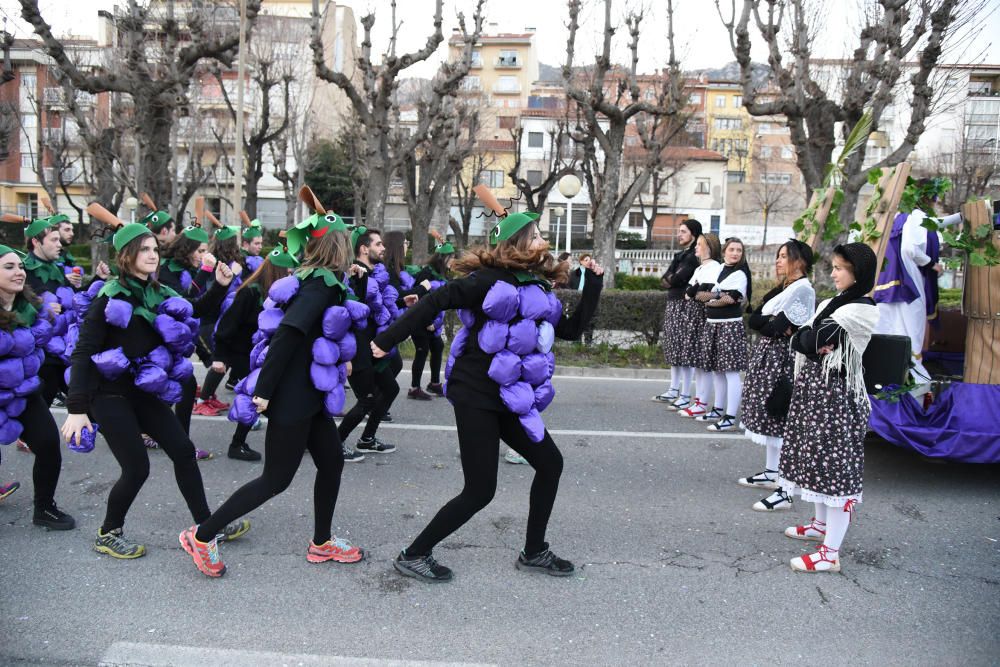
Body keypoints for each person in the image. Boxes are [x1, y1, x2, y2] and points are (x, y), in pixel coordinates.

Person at [371, 212, 603, 583]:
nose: (543, 239)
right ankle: (414, 554)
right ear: (519, 242)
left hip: (510, 396)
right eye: (537, 234)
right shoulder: (487, 281)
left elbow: (572, 330)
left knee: (550, 463)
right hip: (475, 393)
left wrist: (593, 284)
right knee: (480, 490)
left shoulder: (535, 287)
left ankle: (534, 551)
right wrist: (385, 341)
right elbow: (437, 300)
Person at [180, 213, 364, 577]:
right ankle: (202, 536)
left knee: (331, 461)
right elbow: (289, 334)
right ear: (339, 246)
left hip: (309, 393)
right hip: (293, 394)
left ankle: (321, 542)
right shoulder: (319, 286)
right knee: (276, 479)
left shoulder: (321, 280)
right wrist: (264, 391)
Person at [62, 223, 248, 559]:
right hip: (107, 395)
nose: (152, 254)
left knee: (182, 450)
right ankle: (108, 532)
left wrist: (220, 286)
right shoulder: (109, 296)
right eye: (144, 249)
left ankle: (206, 525)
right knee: (137, 468)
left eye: (154, 249)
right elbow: (83, 351)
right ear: (126, 255)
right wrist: (76, 409)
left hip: (143, 391)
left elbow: (197, 308)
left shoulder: (158, 291)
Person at [778, 243, 880, 573]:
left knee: (836, 471)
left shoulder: (861, 309)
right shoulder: (832, 303)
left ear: (857, 273)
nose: (833, 273)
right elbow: (804, 339)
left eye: (840, 268)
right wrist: (808, 339)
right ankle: (820, 527)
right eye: (834, 266)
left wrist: (808, 338)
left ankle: (830, 553)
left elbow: (811, 338)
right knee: (815, 460)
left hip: (838, 396)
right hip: (816, 392)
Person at [0, 243, 75, 530]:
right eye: (9, 267)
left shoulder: (31, 307)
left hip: (25, 394)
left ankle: (44, 508)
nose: (19, 272)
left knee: (48, 445)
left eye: (19, 266)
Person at [737, 240, 816, 512]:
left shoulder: (803, 290)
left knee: (781, 414)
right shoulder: (784, 288)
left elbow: (776, 328)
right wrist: (771, 324)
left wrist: (772, 325)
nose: (778, 261)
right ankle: (772, 472)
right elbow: (755, 320)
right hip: (769, 356)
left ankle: (786, 488)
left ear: (800, 261)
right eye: (778, 256)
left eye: (784, 256)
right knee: (769, 416)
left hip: (784, 359)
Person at [213, 250, 299, 462]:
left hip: (265, 353)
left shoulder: (280, 294)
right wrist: (220, 356)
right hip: (244, 354)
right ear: (277, 271)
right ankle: (237, 444)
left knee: (276, 396)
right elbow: (226, 326)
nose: (291, 276)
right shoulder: (250, 293)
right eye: (287, 272)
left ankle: (297, 438)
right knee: (254, 399)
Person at [873, 181, 962, 383]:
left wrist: (959, 217)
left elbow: (933, 223)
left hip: (887, 288)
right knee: (910, 341)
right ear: (929, 199)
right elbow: (909, 249)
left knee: (888, 334)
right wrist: (932, 264)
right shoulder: (916, 217)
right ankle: (912, 389)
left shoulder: (898, 217)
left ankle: (887, 387)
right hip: (909, 288)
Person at [157, 225, 235, 447]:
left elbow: (199, 308)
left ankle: (179, 441)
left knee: (186, 386)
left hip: (180, 341)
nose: (204, 255)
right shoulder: (165, 271)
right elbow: (181, 304)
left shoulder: (193, 269)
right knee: (158, 391)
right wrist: (205, 272)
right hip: (159, 342)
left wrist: (220, 285)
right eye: (199, 251)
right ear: (186, 249)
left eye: (205, 250)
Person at [337, 226, 400, 461]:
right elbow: (352, 311)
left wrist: (403, 300)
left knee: (391, 389)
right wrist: (347, 357)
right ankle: (335, 443)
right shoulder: (355, 273)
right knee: (367, 399)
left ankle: (367, 439)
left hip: (375, 348)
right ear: (364, 248)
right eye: (378, 244)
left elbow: (379, 306)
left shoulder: (375, 273)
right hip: (359, 349)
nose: (383, 248)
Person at [695, 237, 752, 431]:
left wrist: (713, 297)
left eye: (739, 250)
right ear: (724, 251)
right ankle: (718, 409)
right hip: (713, 324)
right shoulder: (719, 270)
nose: (735, 253)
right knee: (717, 370)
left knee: (731, 372)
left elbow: (732, 298)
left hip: (729, 326)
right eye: (732, 249)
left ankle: (730, 416)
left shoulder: (741, 274)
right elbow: (699, 294)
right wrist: (717, 296)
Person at [191, 225, 246, 417]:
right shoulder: (217, 264)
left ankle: (208, 395)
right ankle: (202, 401)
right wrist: (236, 275)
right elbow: (215, 296)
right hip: (208, 322)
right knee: (218, 361)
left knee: (225, 359)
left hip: (219, 321)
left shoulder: (232, 262)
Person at [653, 220, 702, 403]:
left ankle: (685, 393)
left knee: (685, 350)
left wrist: (672, 279)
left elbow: (677, 279)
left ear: (694, 234)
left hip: (686, 306)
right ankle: (673, 389)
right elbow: (664, 279)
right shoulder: (680, 255)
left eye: (683, 231)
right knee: (674, 348)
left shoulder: (692, 257)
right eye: (679, 231)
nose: (679, 234)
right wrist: (672, 279)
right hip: (674, 304)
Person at [675, 233, 722, 417]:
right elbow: (688, 293)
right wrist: (693, 291)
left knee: (703, 364)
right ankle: (698, 401)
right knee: (697, 362)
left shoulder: (713, 267)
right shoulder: (700, 268)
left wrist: (694, 291)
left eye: (700, 244)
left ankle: (702, 403)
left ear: (709, 247)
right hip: (694, 317)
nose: (696, 247)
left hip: (702, 317)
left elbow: (701, 292)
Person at [407, 241, 453, 399]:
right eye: (451, 257)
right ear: (443, 258)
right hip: (420, 321)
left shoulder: (441, 273)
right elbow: (418, 298)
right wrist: (428, 323)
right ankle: (414, 388)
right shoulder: (426, 273)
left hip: (432, 323)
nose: (453, 261)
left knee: (438, 346)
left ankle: (434, 384)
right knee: (422, 350)